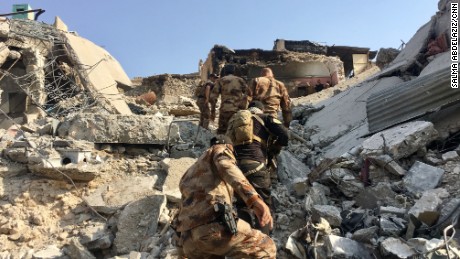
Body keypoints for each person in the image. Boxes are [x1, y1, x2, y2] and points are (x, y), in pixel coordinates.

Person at [173, 135, 276, 259]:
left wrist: (181, 247)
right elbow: (225, 165)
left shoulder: (189, 173)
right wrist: (254, 200)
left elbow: (181, 211)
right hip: (213, 228)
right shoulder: (220, 149)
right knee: (266, 247)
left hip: (189, 242)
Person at [229, 101, 289, 234]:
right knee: (263, 206)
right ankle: (263, 245)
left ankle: (246, 242)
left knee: (243, 204)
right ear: (261, 110)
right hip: (256, 166)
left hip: (235, 169)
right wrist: (272, 147)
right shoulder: (265, 118)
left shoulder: (234, 121)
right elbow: (285, 136)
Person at [210, 65, 249, 134]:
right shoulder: (240, 80)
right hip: (238, 112)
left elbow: (213, 98)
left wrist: (213, 111)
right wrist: (243, 107)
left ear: (225, 72)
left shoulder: (221, 80)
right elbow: (248, 94)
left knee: (222, 133)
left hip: (225, 111)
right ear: (234, 72)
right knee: (237, 132)